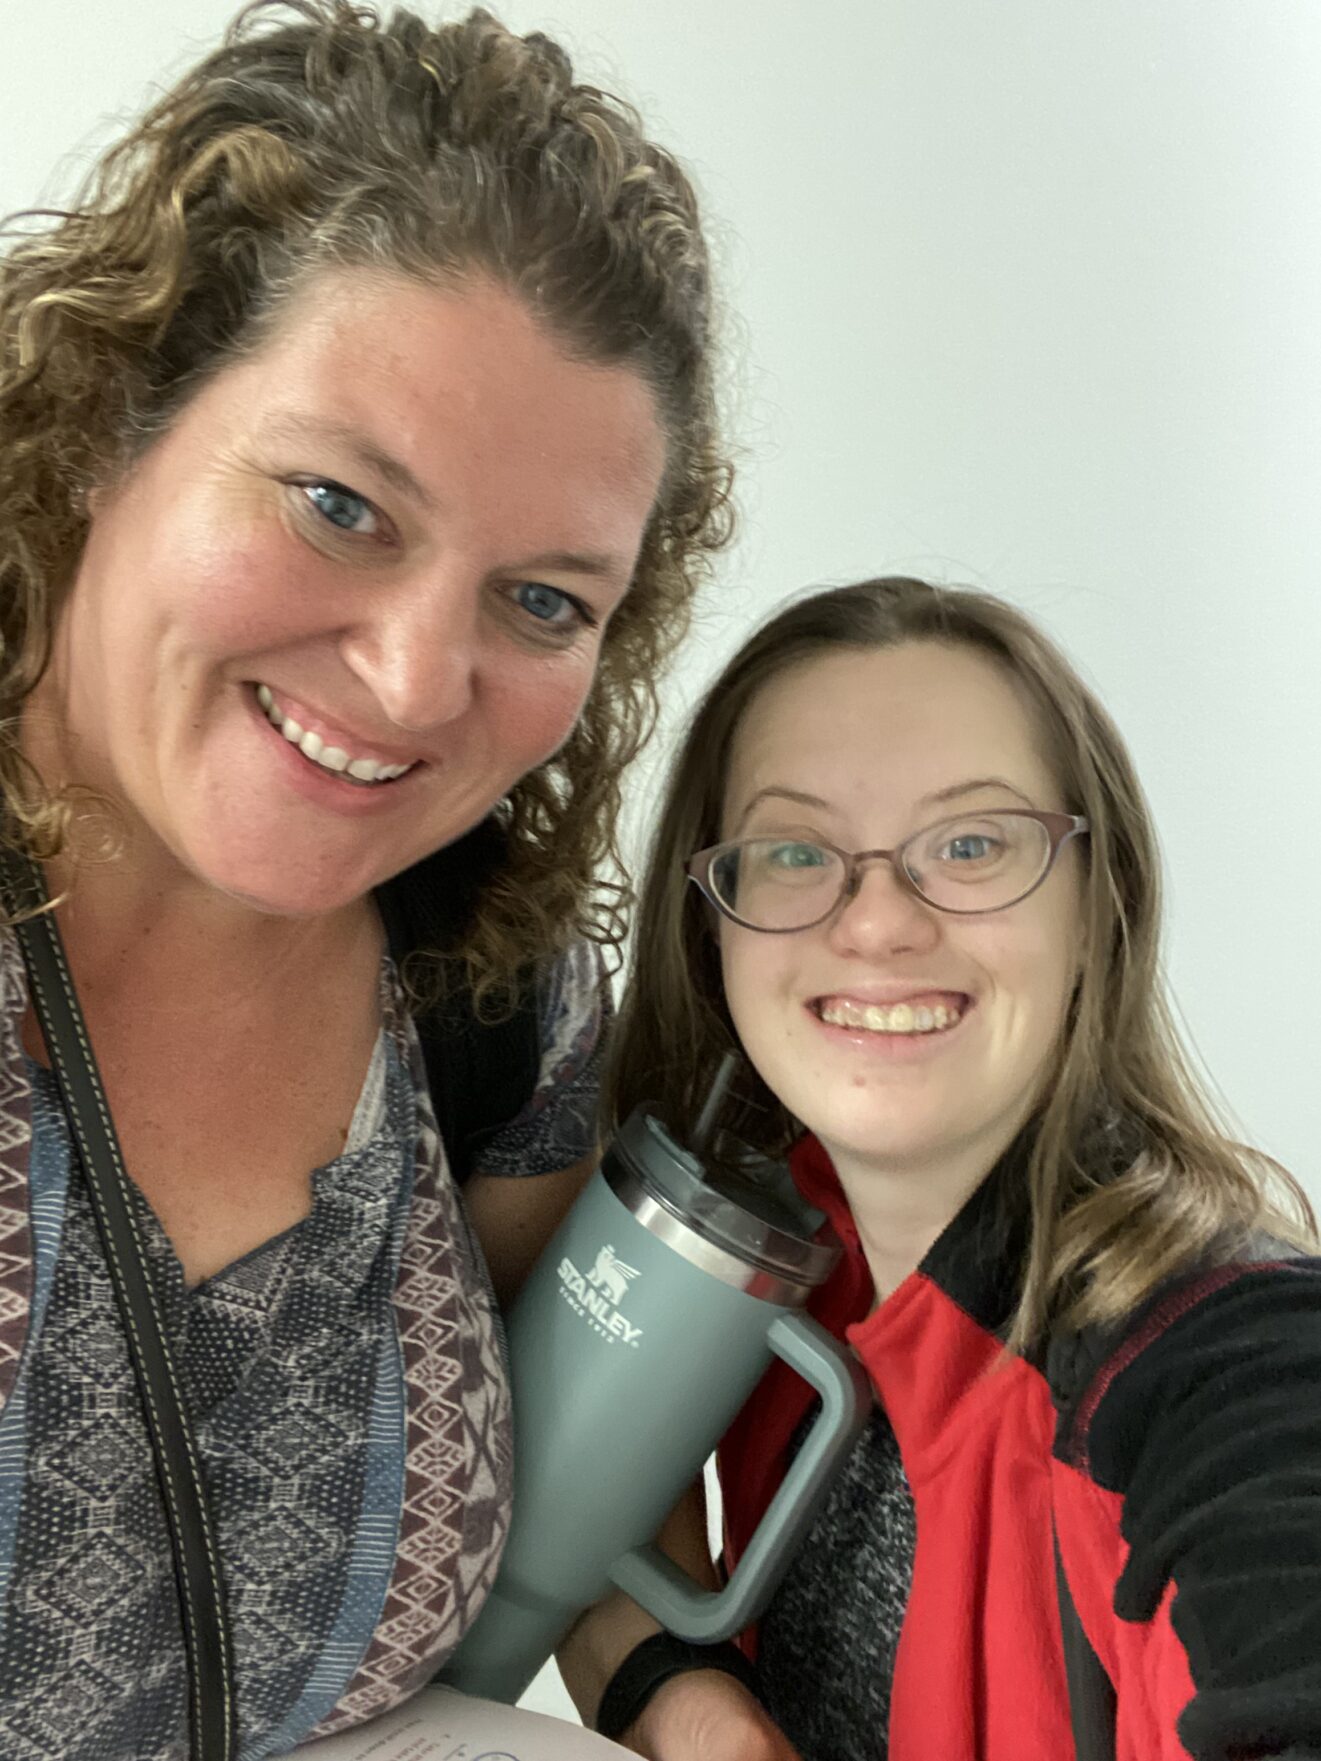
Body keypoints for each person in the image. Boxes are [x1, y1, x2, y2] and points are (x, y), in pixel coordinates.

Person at [0, 2, 733, 1754]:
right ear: (111, 411)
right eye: (340, 503)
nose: (417, 681)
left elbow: (580, 1462)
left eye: (543, 598)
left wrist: (677, 1693)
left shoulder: (487, 972)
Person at [599, 576, 1321, 1760]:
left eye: (971, 844)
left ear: (1099, 906)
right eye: (794, 849)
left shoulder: (1234, 1375)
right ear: (711, 926)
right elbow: (567, 1527)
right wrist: (690, 1710)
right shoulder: (761, 1253)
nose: (877, 922)